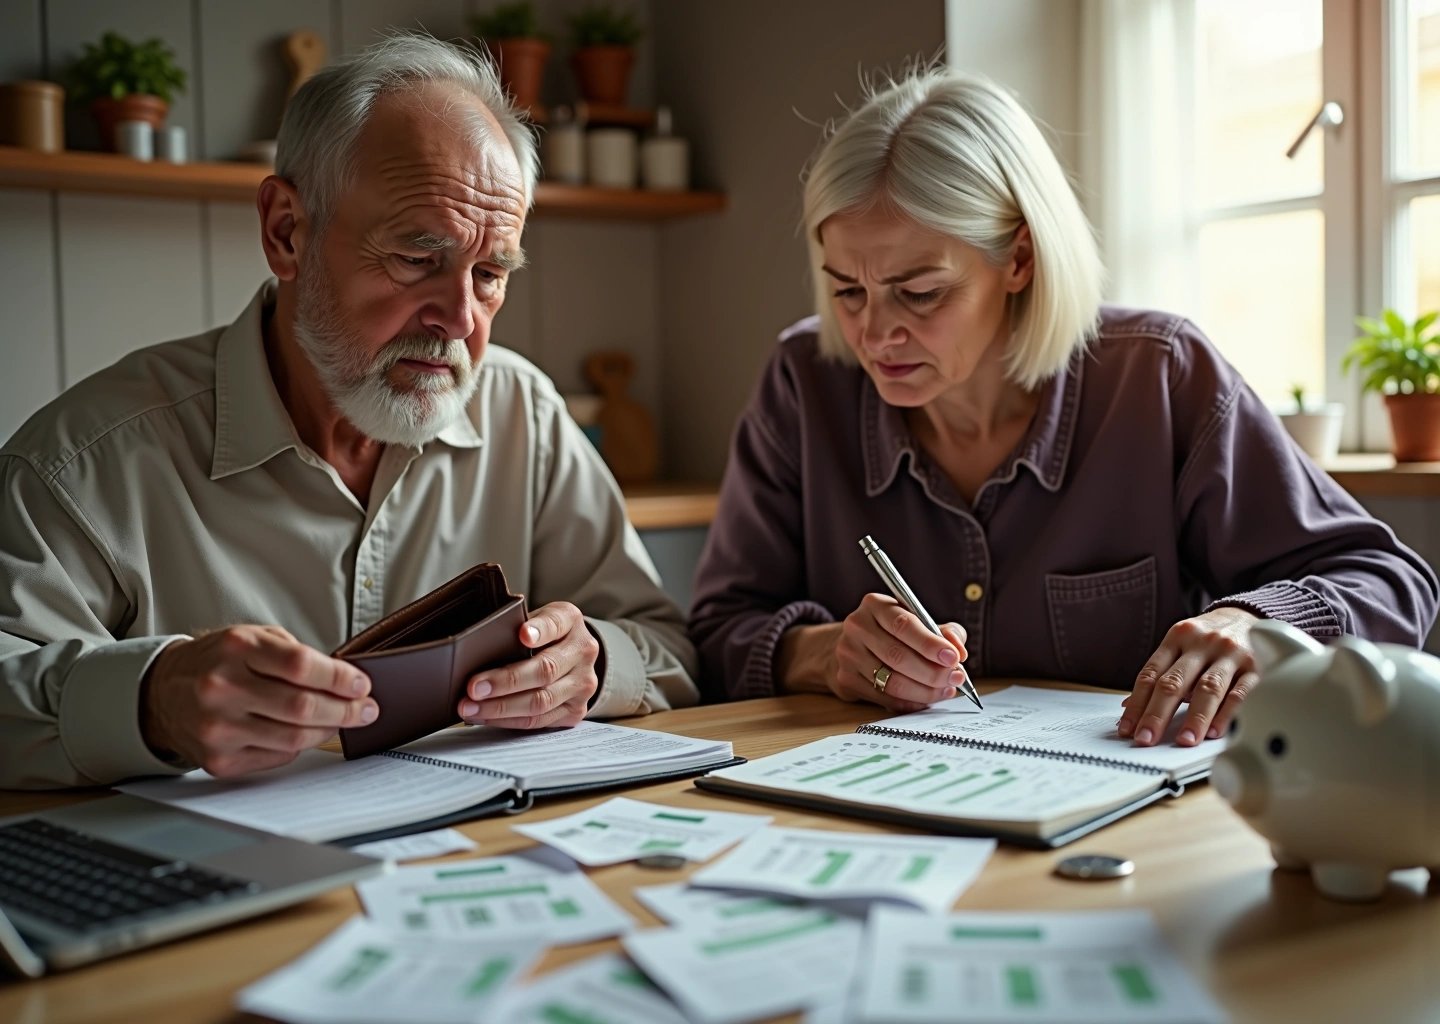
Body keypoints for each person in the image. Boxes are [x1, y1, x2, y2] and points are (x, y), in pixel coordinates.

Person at [0, 35, 697, 790]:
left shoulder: (522, 411)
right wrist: (151, 700)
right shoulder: (83, 460)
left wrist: (588, 664)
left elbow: (664, 645)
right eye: (415, 258)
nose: (461, 319)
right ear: (286, 232)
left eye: (491, 272)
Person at [689, 67, 1438, 748]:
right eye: (847, 289)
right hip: (865, 807)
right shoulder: (803, 380)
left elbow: (1387, 578)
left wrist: (1255, 623)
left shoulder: (1158, 376)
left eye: (920, 292)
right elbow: (718, 629)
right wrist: (823, 654)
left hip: (1134, 823)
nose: (875, 332)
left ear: (1019, 258)